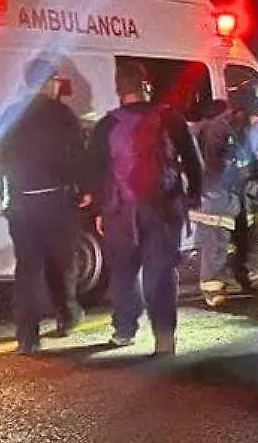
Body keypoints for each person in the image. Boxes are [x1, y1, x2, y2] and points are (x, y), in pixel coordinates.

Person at [87, 61, 203, 355]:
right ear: (145, 86)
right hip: (164, 208)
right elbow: (193, 161)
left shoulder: (107, 125)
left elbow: (95, 171)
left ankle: (124, 331)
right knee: (161, 273)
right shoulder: (170, 119)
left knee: (124, 273)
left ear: (118, 90)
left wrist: (101, 208)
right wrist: (193, 196)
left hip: (121, 212)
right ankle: (164, 337)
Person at [0, 58, 88, 355]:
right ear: (50, 82)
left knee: (27, 270)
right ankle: (67, 315)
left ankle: (27, 337)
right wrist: (83, 189)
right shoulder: (63, 115)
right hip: (56, 202)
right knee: (62, 264)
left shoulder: (10, 114)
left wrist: (3, 196)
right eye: (57, 80)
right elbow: (77, 156)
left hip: (21, 204)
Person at [190, 82, 258, 308]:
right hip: (218, 193)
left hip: (244, 190)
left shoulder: (253, 130)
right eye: (256, 113)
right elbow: (214, 165)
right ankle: (213, 288)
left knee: (251, 234)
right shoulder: (219, 128)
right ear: (243, 110)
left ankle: (249, 279)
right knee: (216, 239)